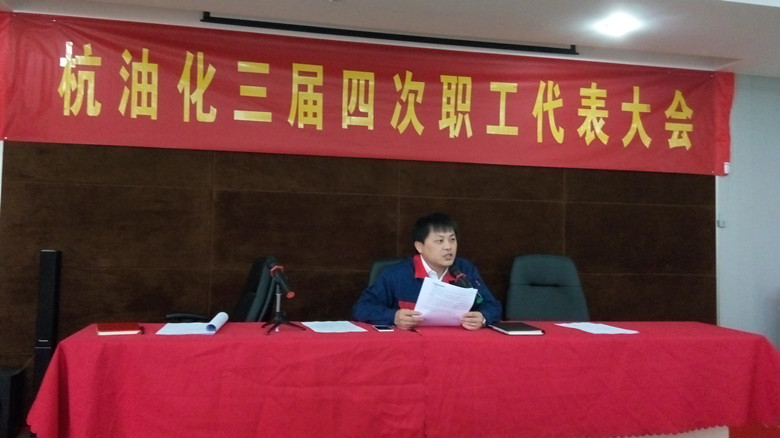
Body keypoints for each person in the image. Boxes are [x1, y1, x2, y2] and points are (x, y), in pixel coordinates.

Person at [352, 212, 502, 330]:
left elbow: (492, 305)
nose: (448, 247)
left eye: (452, 239)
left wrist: (483, 317)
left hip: (456, 343)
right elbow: (361, 308)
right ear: (420, 246)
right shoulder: (396, 274)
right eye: (439, 241)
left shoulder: (464, 269)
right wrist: (394, 316)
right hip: (410, 346)